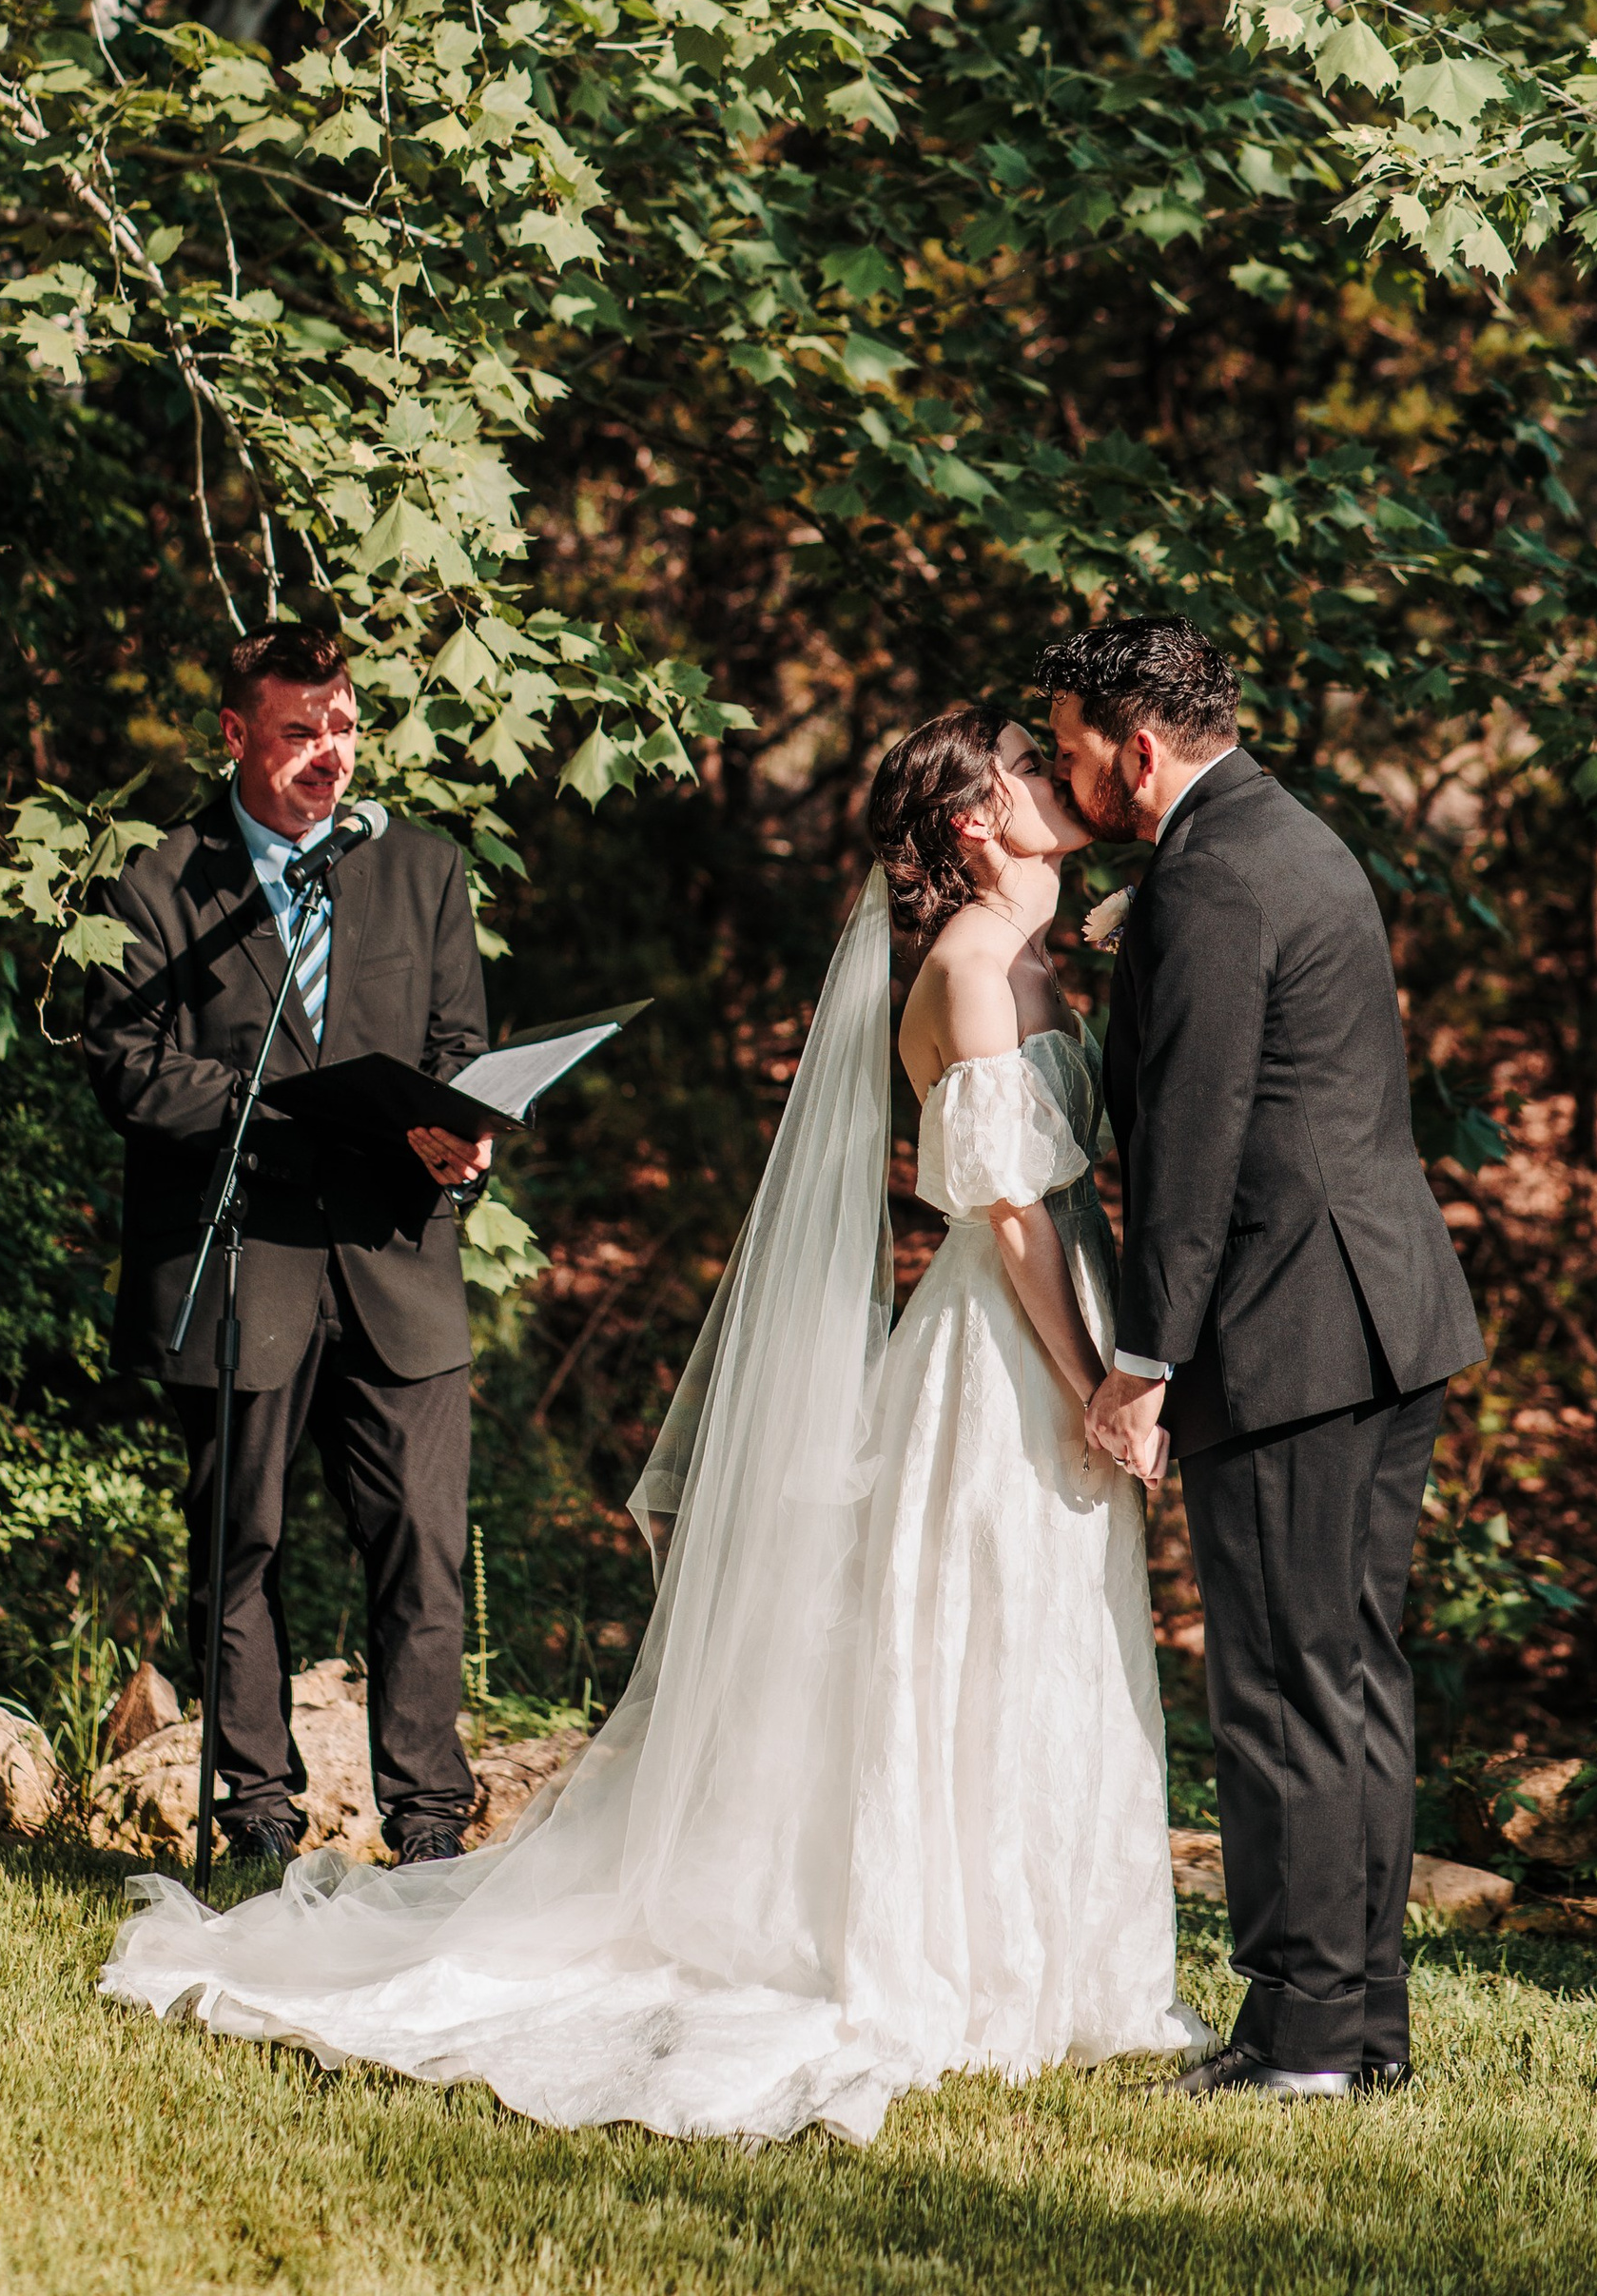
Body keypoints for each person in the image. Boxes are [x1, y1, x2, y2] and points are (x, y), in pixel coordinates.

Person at [99, 707, 1200, 2140]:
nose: (1065, 782)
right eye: (1031, 769)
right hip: (1009, 1358)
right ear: (975, 822)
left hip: (1053, 1341)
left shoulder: (1033, 949)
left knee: (1043, 1642)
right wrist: (1098, 1388)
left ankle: (1056, 1962)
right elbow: (1007, 1219)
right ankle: (956, 1956)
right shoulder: (975, 970)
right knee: (978, 1643)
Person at [1043, 613, 1482, 2104]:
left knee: (1280, 1686)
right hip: (1384, 1312)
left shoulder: (1214, 878)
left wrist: (1144, 1356)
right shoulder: (1285, 837)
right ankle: (1360, 2027)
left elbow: (1192, 1141)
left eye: (1068, 749)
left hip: (1288, 1326)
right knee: (1348, 1674)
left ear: (1139, 749)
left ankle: (1301, 2034)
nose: (1061, 772)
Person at [85, 619, 495, 1872]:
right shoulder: (157, 882)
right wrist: (273, 1111)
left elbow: (458, 1049)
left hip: (396, 1265)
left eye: (346, 728)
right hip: (241, 1253)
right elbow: (127, 1067)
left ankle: (428, 1821)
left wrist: (462, 1137)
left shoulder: (420, 869)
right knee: (238, 1545)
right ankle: (256, 1809)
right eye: (300, 731)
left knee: (424, 1548)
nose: (330, 756)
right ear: (236, 734)